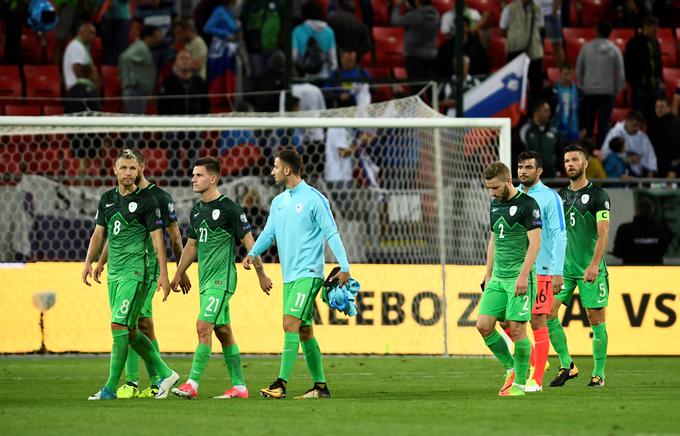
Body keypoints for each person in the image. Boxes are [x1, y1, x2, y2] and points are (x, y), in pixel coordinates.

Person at [244, 149, 351, 400]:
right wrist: (252, 253)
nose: (272, 171)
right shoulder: (278, 202)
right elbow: (269, 233)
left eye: (275, 167)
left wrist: (344, 267)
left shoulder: (314, 199)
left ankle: (280, 384)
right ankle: (320, 386)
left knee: (289, 323)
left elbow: (331, 233)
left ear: (287, 170)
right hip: (289, 276)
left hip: (309, 273)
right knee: (304, 331)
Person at [92, 148, 191, 399]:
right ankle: (156, 378)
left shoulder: (158, 197)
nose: (128, 172)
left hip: (146, 270)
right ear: (115, 169)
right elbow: (112, 235)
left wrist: (178, 270)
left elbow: (173, 237)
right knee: (136, 325)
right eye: (123, 167)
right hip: (121, 269)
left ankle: (142, 381)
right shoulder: (114, 198)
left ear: (141, 168)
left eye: (132, 167)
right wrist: (99, 262)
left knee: (131, 323)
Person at [171, 157, 273, 400]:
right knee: (223, 331)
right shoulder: (197, 210)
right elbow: (192, 246)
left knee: (203, 326)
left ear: (213, 179)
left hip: (223, 280)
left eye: (199, 175)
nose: (193, 179)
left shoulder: (230, 209)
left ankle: (192, 384)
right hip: (206, 281)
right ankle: (239, 387)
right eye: (193, 174)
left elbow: (250, 244)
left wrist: (261, 274)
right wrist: (179, 272)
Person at [499, 151, 566, 392]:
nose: (523, 171)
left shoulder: (550, 198)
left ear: (539, 171)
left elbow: (559, 234)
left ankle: (536, 380)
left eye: (528, 167)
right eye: (520, 167)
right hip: (514, 270)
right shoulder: (512, 196)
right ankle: (538, 360)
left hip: (543, 269)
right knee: (502, 317)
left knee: (538, 319)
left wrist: (558, 271)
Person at [548, 144, 611, 388]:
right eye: (566, 161)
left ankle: (599, 373)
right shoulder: (559, 197)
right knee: (546, 315)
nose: (570, 164)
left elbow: (603, 233)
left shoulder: (598, 195)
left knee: (596, 320)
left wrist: (595, 264)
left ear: (585, 164)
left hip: (589, 269)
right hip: (563, 269)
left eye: (574, 160)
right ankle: (568, 365)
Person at [477, 161, 542, 397]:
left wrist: (524, 275)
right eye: (489, 189)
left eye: (495, 188)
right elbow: (493, 241)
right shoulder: (495, 205)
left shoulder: (528, 205)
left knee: (517, 329)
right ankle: (511, 368)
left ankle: (521, 384)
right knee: (483, 326)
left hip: (519, 277)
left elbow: (535, 243)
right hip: (498, 278)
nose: (492, 193)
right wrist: (488, 275)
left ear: (508, 181)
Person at [576, 20, 625, 148]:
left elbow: (579, 69)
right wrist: (617, 89)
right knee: (604, 124)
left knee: (588, 124)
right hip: (607, 92)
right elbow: (620, 73)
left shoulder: (586, 48)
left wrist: (582, 85)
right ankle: (601, 150)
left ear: (597, 31)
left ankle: (586, 150)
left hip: (589, 91)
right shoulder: (614, 49)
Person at [500, 0, 544, 102]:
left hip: (534, 53)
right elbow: (503, 29)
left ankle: (535, 113)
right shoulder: (509, 9)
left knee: (536, 87)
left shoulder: (537, 9)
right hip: (515, 52)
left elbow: (541, 27)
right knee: (514, 86)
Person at [625, 15, 663, 123]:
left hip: (655, 87)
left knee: (654, 119)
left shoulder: (655, 42)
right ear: (645, 26)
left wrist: (660, 81)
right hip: (640, 89)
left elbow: (658, 63)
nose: (657, 30)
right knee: (638, 118)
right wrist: (635, 84)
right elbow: (628, 66)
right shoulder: (634, 43)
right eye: (654, 28)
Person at [613, 197, 672, 265]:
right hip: (655, 270)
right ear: (652, 211)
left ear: (637, 211)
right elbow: (664, 249)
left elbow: (617, 253)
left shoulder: (624, 229)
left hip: (631, 271)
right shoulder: (662, 229)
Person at [119, 25, 163, 114]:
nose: (160, 39)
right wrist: (132, 80)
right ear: (148, 36)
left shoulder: (143, 47)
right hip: (135, 90)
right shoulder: (140, 47)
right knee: (134, 122)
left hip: (139, 90)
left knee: (137, 120)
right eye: (157, 36)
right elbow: (125, 57)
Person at [390, 0, 439, 81]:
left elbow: (394, 21)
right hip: (431, 56)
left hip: (415, 57)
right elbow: (419, 17)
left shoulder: (415, 15)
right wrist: (410, 8)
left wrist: (397, 6)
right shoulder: (436, 14)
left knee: (416, 87)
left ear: (417, 1)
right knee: (428, 86)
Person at [601, 110, 657, 177]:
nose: (637, 128)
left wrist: (651, 171)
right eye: (634, 125)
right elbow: (606, 153)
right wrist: (627, 158)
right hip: (619, 173)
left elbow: (650, 156)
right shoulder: (615, 132)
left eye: (639, 126)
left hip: (639, 173)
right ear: (627, 121)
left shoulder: (643, 137)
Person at [292, 0, 338, 79]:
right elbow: (333, 59)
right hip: (324, 74)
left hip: (303, 75)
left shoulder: (297, 31)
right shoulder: (329, 31)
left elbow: (293, 56)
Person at [519, 99, 562, 178]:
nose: (549, 114)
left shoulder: (553, 131)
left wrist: (558, 170)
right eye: (546, 111)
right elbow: (519, 152)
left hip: (551, 177)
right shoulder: (525, 131)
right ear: (537, 112)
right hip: (532, 178)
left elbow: (559, 152)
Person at [648, 97, 680, 178]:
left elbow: (677, 149)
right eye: (657, 106)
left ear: (669, 108)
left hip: (671, 172)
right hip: (657, 170)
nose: (658, 109)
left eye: (662, 106)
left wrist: (673, 169)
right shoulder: (654, 125)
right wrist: (651, 168)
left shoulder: (675, 124)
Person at [62, 22, 96, 91]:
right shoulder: (76, 46)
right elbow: (77, 70)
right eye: (91, 33)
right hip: (77, 87)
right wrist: (92, 77)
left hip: (80, 86)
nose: (93, 37)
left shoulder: (80, 46)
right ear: (82, 32)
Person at [98, 0, 132, 66]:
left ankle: (121, 71)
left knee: (121, 48)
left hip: (122, 18)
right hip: (106, 18)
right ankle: (107, 72)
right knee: (107, 49)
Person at [553, 63, 581, 142]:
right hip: (556, 128)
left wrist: (584, 128)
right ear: (560, 74)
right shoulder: (552, 91)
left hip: (573, 129)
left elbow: (583, 110)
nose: (568, 77)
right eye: (566, 74)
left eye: (570, 74)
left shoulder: (578, 92)